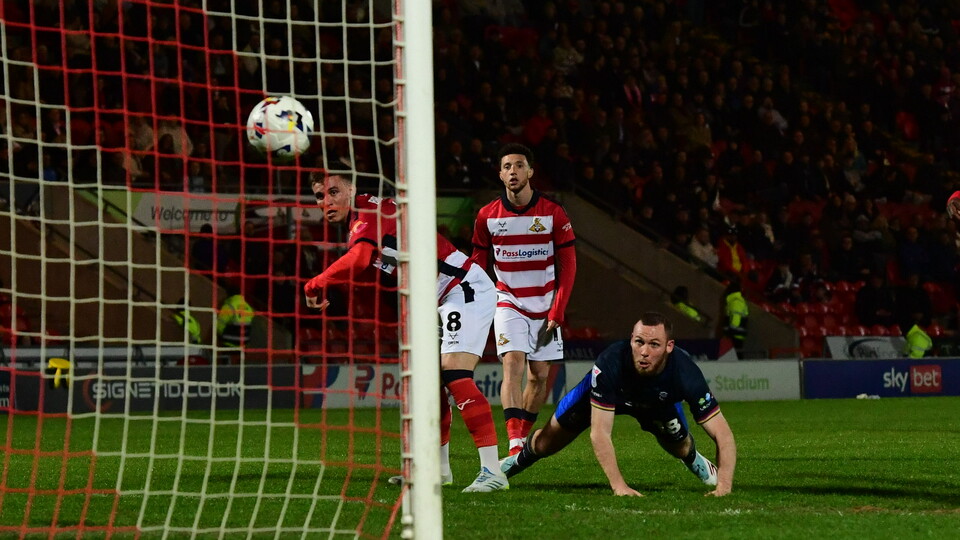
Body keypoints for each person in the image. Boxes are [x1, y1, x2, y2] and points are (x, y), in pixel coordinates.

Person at [304, 170, 508, 492]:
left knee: (455, 374)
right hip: (434, 299)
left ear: (351, 189)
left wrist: (315, 283)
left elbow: (358, 260)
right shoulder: (361, 219)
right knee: (429, 385)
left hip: (463, 287)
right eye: (320, 196)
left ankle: (492, 472)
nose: (327, 201)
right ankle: (438, 471)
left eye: (333, 192)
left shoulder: (367, 213)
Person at [499, 312, 736, 497]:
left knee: (681, 447)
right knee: (545, 444)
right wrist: (619, 486)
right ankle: (509, 465)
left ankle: (694, 460)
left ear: (669, 346)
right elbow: (599, 433)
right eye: (639, 342)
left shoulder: (686, 373)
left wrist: (724, 487)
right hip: (602, 396)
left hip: (656, 403)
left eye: (654, 345)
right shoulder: (610, 362)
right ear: (631, 339)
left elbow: (723, 434)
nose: (644, 352)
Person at [470, 143, 577, 456]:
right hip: (508, 302)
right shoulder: (487, 216)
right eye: (507, 166)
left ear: (530, 171)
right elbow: (477, 263)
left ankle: (523, 435)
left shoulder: (553, 213)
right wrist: (477, 301)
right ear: (500, 174)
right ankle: (514, 442)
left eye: (519, 165)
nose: (512, 171)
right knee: (512, 364)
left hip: (545, 306)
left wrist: (558, 309)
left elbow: (569, 265)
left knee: (539, 376)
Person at [721, 278, 749, 354]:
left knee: (732, 358)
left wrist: (729, 333)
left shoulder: (735, 301)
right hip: (736, 336)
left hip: (734, 336)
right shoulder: (736, 300)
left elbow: (735, 320)